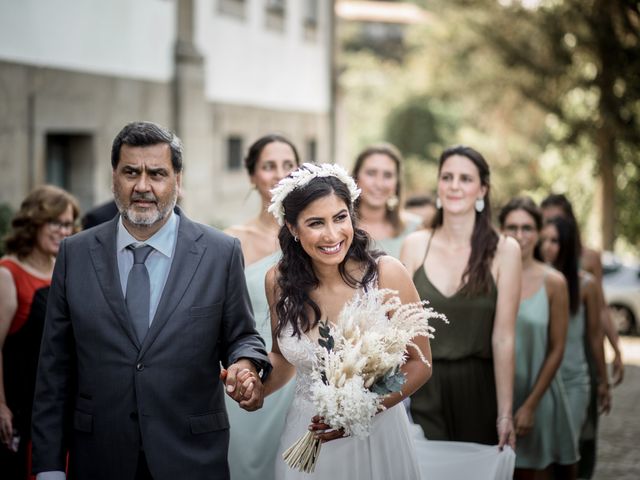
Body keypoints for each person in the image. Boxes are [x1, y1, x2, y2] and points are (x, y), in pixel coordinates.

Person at [30, 121, 271, 480]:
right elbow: (54, 368)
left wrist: (247, 365)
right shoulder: (75, 253)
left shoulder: (220, 253)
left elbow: (242, 336)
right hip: (99, 459)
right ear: (114, 176)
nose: (142, 186)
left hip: (191, 457)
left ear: (178, 179)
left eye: (157, 173)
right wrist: (49, 468)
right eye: (130, 172)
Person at [262, 163, 432, 479]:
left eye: (340, 218)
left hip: (376, 438)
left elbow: (420, 363)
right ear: (293, 228)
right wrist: (254, 387)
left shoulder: (385, 274)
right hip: (305, 436)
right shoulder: (278, 281)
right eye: (315, 223)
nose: (332, 234)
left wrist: (358, 409)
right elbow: (282, 359)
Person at [401, 145, 521, 449]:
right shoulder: (415, 245)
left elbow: (504, 338)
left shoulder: (505, 250)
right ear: (439, 185)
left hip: (479, 389)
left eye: (465, 179)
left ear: (482, 189)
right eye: (447, 177)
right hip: (422, 385)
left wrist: (506, 413)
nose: (455, 185)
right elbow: (398, 331)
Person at [223, 134, 300, 480]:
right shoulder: (230, 241)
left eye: (288, 165)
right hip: (250, 373)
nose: (279, 174)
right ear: (253, 175)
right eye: (269, 166)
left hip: (301, 380)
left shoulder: (314, 238)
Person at [0, 185, 79, 480]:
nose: (62, 230)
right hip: (20, 410)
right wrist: (0, 404)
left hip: (58, 406)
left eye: (68, 223)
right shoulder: (8, 273)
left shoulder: (68, 270)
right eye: (54, 222)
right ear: (34, 222)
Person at [541, 194, 620, 480]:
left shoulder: (585, 278)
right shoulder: (532, 277)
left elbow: (597, 326)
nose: (548, 245)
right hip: (541, 378)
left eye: (556, 236)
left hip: (575, 374)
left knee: (572, 450)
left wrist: (605, 375)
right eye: (545, 235)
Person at [499, 197, 578, 479]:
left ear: (539, 232)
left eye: (527, 228)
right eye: (512, 227)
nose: (519, 236)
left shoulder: (554, 282)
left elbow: (557, 349)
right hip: (495, 397)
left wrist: (531, 406)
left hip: (538, 395)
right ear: (500, 230)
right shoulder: (488, 275)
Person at [352, 144, 422, 259]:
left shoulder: (414, 229)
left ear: (397, 183)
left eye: (388, 175)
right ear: (356, 177)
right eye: (371, 173)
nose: (379, 184)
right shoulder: (341, 228)